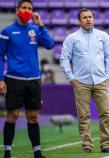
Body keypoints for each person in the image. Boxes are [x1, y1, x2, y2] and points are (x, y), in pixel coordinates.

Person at [0, 0, 55, 158]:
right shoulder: (7, 31)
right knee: (13, 115)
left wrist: (42, 25)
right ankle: (7, 152)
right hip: (14, 79)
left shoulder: (35, 30)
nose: (27, 10)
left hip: (34, 80)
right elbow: (0, 57)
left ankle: (37, 153)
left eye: (30, 8)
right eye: (24, 8)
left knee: (33, 116)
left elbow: (50, 45)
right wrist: (1, 79)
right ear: (17, 10)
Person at [60, 8, 109, 154]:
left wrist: (108, 76)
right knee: (84, 116)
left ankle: (105, 145)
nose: (88, 19)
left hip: (101, 80)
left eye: (90, 17)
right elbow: (64, 59)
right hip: (81, 82)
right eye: (84, 17)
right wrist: (71, 78)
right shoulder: (72, 38)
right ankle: (86, 145)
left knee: (106, 114)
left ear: (94, 19)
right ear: (79, 21)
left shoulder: (103, 36)